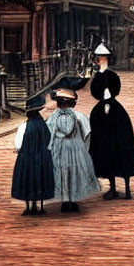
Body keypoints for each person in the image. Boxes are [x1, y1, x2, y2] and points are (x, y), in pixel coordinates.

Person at [89, 44, 134, 200]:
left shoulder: (112, 76)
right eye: (99, 59)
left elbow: (112, 91)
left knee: (121, 147)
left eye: (103, 58)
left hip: (114, 112)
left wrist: (107, 101)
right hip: (102, 114)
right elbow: (96, 93)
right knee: (105, 149)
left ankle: (126, 187)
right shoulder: (97, 76)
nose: (100, 61)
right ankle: (112, 187)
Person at [46, 83, 100, 212]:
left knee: (61, 173)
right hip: (76, 148)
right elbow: (87, 134)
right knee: (75, 172)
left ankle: (64, 201)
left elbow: (48, 135)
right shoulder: (79, 117)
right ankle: (73, 200)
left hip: (58, 149)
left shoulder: (52, 118)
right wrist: (84, 149)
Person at [11, 92, 54, 216]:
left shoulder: (24, 126)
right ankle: (40, 206)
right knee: (40, 180)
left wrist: (21, 151)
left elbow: (18, 144)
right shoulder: (45, 126)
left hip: (27, 158)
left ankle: (29, 207)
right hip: (41, 157)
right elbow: (49, 141)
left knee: (27, 181)